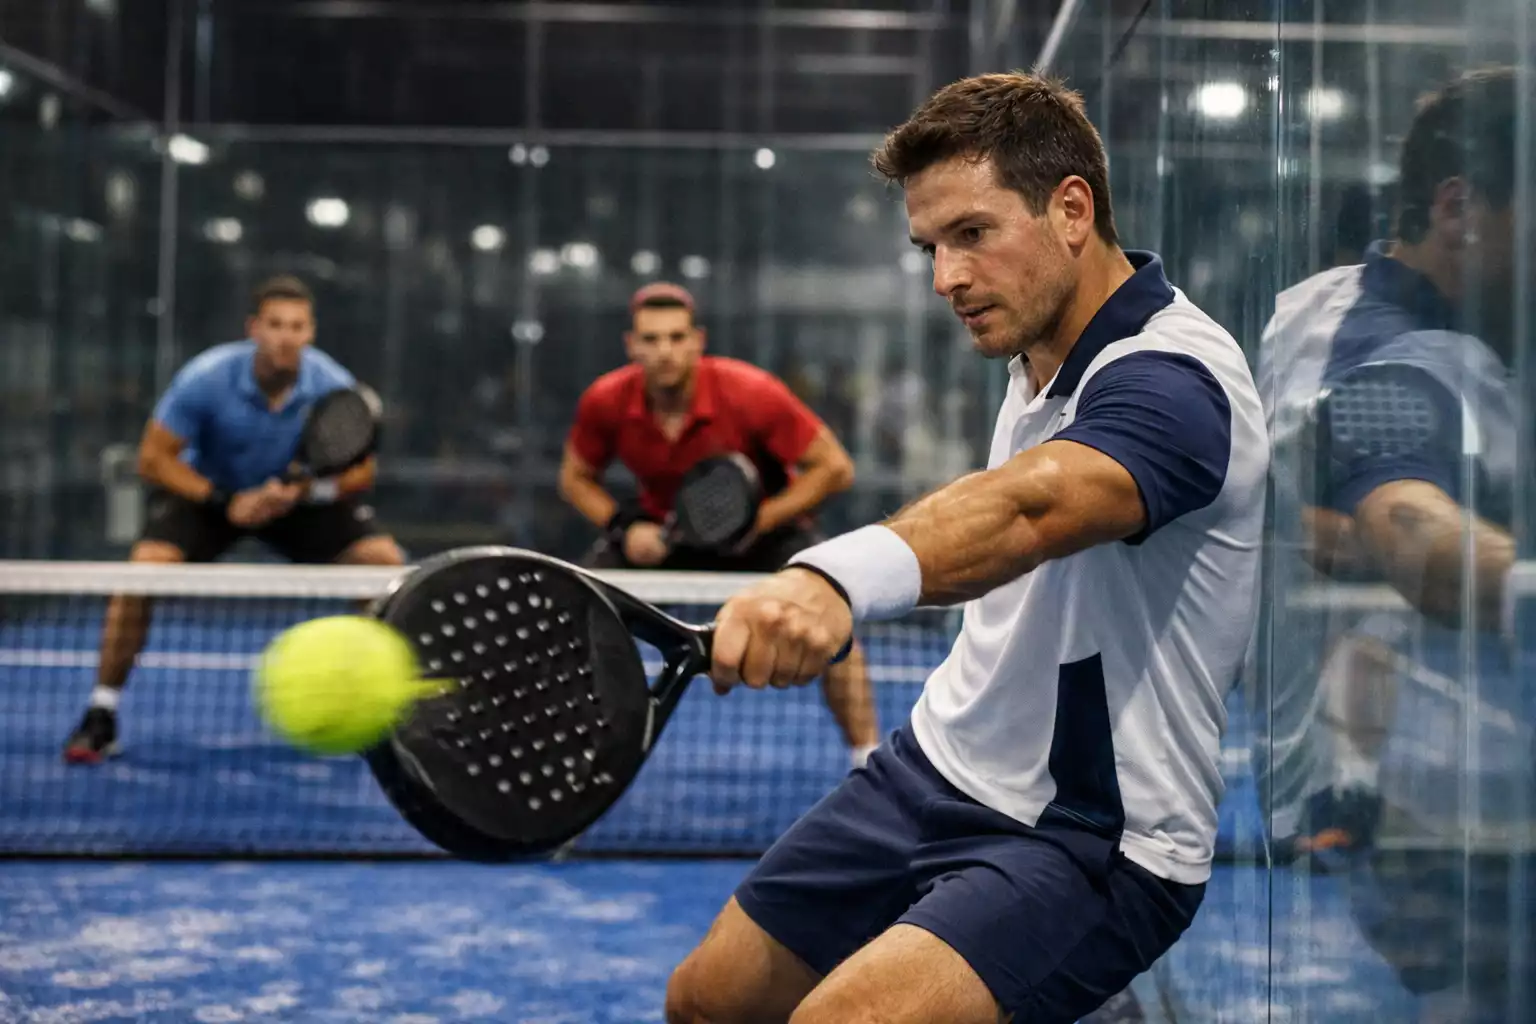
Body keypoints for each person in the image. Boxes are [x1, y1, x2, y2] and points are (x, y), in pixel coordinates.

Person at [664, 72, 1268, 1024]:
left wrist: (831, 578)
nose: (946, 277)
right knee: (705, 1002)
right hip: (935, 767)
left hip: (1091, 836)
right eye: (931, 247)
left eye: (973, 234)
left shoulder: (1178, 381)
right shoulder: (1039, 348)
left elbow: (1029, 510)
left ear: (1072, 209)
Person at [1252, 67, 1528, 1013]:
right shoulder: (1398, 356)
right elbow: (1401, 525)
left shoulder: (1321, 306)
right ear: (1461, 210)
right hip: (1440, 823)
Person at [63, 275, 405, 764]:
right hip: (212, 497)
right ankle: (101, 713)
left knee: (383, 565)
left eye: (297, 326)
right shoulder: (206, 378)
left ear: (310, 333)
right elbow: (153, 459)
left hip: (296, 505)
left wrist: (300, 490)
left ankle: (387, 712)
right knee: (140, 574)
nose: (286, 336)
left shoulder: (331, 384)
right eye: (275, 325)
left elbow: (361, 469)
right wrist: (227, 501)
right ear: (253, 330)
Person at [558, 282, 879, 767]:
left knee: (836, 629)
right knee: (578, 614)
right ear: (632, 346)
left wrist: (758, 520)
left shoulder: (750, 392)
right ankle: (570, 767)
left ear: (697, 340)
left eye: (675, 337)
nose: (664, 351)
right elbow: (575, 479)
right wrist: (625, 528)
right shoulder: (605, 401)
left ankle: (866, 758)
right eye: (651, 339)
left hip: (764, 533)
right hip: (665, 535)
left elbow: (835, 468)